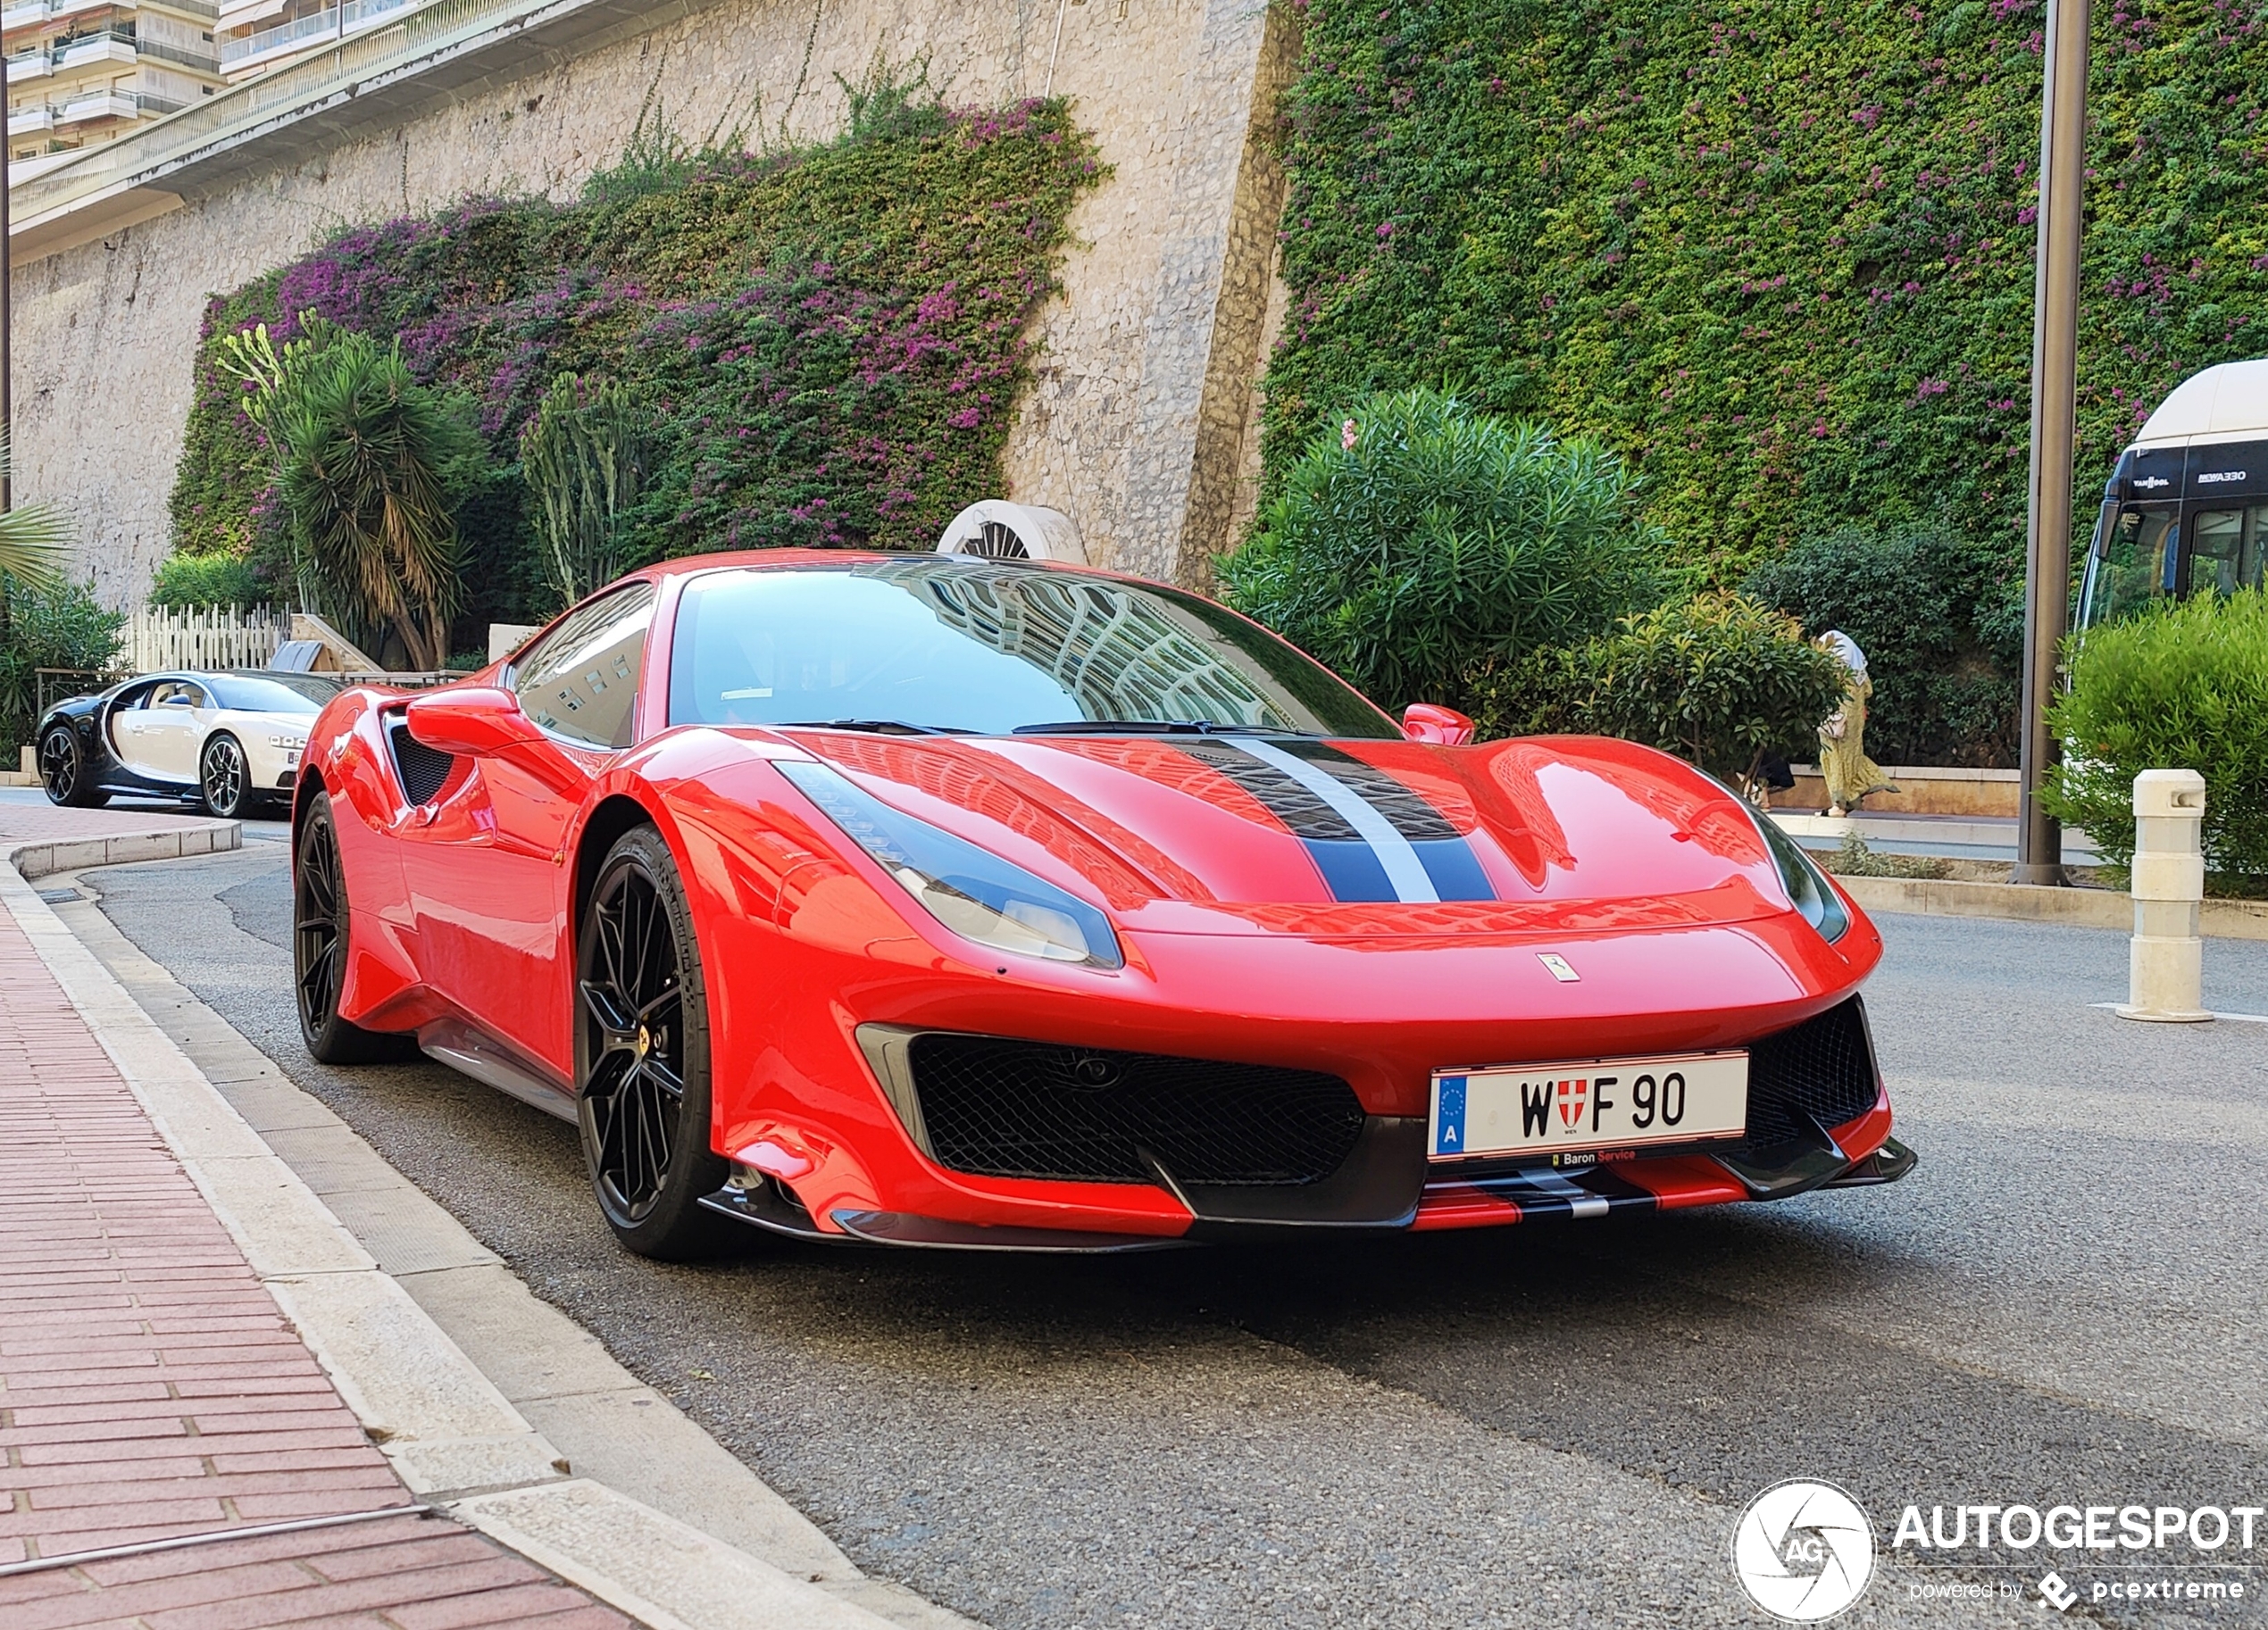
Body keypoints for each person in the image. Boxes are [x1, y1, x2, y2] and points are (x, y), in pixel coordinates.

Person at [1817, 629, 1897, 817]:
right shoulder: (1858, 671)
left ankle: (1839, 804)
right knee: (1852, 756)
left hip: (1834, 719)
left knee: (1833, 756)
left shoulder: (1833, 668)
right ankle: (1852, 795)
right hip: (1854, 721)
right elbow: (1868, 691)